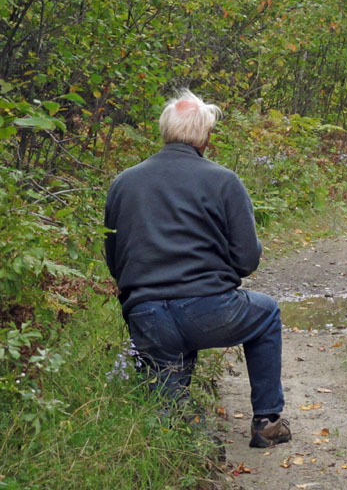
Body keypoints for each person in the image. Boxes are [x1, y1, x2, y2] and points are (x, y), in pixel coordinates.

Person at [104, 90, 291, 448]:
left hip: (146, 315)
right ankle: (267, 422)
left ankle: (186, 442)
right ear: (206, 136)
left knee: (166, 413)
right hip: (210, 311)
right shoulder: (224, 181)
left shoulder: (123, 183)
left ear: (165, 131)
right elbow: (247, 260)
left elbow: (115, 260)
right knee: (266, 313)